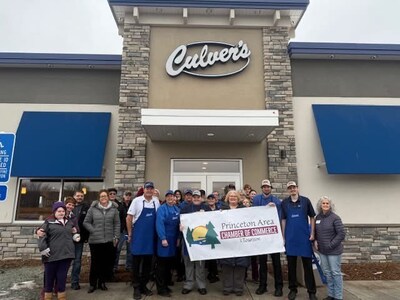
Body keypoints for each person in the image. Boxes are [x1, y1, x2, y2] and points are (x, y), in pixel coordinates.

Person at [282, 181, 317, 300]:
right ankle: (292, 290)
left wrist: (312, 233)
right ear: (288, 190)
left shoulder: (306, 201)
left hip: (304, 238)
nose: (292, 189)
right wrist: (283, 237)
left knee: (308, 267)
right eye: (290, 188)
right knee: (291, 267)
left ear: (297, 188)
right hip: (290, 238)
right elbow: (283, 220)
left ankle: (311, 292)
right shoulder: (284, 203)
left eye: (294, 187)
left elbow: (312, 217)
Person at [126, 181, 160, 300]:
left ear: (153, 190)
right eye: (147, 188)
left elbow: (158, 219)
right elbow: (129, 218)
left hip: (151, 238)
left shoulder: (156, 201)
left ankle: (143, 286)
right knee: (136, 264)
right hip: (139, 237)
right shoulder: (137, 201)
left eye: (151, 188)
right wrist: (130, 233)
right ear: (144, 189)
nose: (149, 190)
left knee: (148, 265)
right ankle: (136, 288)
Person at [83, 189, 120, 293]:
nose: (103, 198)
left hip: (108, 240)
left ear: (108, 197)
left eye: (105, 196)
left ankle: (102, 283)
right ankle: (92, 284)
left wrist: (116, 236)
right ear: (99, 198)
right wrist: (93, 231)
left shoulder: (114, 209)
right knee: (95, 263)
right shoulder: (92, 209)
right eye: (101, 196)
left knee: (105, 263)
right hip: (95, 241)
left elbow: (117, 224)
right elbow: (86, 222)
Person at [38, 201, 76, 300]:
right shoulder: (48, 222)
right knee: (49, 277)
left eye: (63, 211)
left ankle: (61, 296)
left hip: (66, 255)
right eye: (59, 211)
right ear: (54, 212)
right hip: (51, 255)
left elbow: (74, 231)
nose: (61, 213)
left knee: (62, 277)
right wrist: (43, 248)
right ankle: (47, 296)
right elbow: (41, 235)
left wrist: (76, 234)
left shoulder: (69, 222)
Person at [252, 179, 283, 297]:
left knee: (276, 263)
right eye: (264, 187)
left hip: (273, 236)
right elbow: (254, 214)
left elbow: (280, 217)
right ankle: (262, 285)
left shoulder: (276, 201)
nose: (266, 188)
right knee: (262, 262)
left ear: (271, 188)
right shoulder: (256, 199)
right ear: (262, 188)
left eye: (268, 187)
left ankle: (278, 287)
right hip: (261, 235)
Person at [219, 190, 250, 296]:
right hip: (226, 242)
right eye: (230, 196)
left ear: (238, 198)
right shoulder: (221, 210)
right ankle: (227, 288)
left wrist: (269, 208)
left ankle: (238, 288)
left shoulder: (244, 210)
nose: (232, 198)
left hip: (241, 242)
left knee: (240, 265)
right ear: (227, 198)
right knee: (227, 265)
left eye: (235, 196)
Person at [314, 196, 345, 300]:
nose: (325, 205)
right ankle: (331, 295)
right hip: (322, 251)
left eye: (327, 203)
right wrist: (316, 240)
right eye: (323, 203)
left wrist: (331, 244)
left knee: (335, 273)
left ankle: (338, 296)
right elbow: (316, 232)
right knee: (327, 273)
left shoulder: (335, 217)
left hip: (334, 251)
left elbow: (341, 234)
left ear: (330, 205)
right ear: (320, 205)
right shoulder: (317, 217)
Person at [180, 190, 210, 295]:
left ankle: (201, 285)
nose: (196, 199)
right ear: (191, 198)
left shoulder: (206, 208)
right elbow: (180, 221)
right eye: (194, 197)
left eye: (198, 197)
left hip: (202, 240)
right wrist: (180, 226)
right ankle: (188, 285)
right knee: (188, 264)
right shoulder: (185, 208)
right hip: (189, 241)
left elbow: (212, 221)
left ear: (201, 198)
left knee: (200, 264)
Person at [155, 190, 180, 297]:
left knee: (169, 265)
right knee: (162, 265)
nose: (170, 198)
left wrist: (178, 237)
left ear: (175, 198)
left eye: (172, 196)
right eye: (168, 196)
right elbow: (159, 224)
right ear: (166, 198)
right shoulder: (162, 209)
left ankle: (165, 285)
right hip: (164, 241)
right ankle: (161, 289)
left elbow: (180, 224)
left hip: (173, 240)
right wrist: (163, 238)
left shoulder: (176, 209)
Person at [71, 190, 89, 290]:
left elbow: (88, 223)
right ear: (74, 196)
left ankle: (75, 282)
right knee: (65, 260)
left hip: (79, 239)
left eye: (81, 196)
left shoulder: (86, 208)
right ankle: (61, 281)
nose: (80, 197)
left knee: (77, 261)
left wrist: (85, 237)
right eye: (78, 196)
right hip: (67, 239)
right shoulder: (68, 207)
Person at [114, 190, 133, 272]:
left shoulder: (133, 205)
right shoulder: (120, 205)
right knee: (118, 249)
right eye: (126, 195)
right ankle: (115, 266)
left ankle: (129, 266)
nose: (128, 197)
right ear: (123, 196)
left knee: (130, 249)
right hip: (122, 230)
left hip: (130, 230)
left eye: (129, 195)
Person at [205, 194, 220, 284]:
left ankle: (215, 273)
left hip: (217, 235)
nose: (211, 200)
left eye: (212, 198)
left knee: (216, 255)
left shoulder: (219, 209)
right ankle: (211, 274)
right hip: (208, 235)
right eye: (209, 199)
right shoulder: (205, 209)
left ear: (215, 200)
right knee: (210, 256)